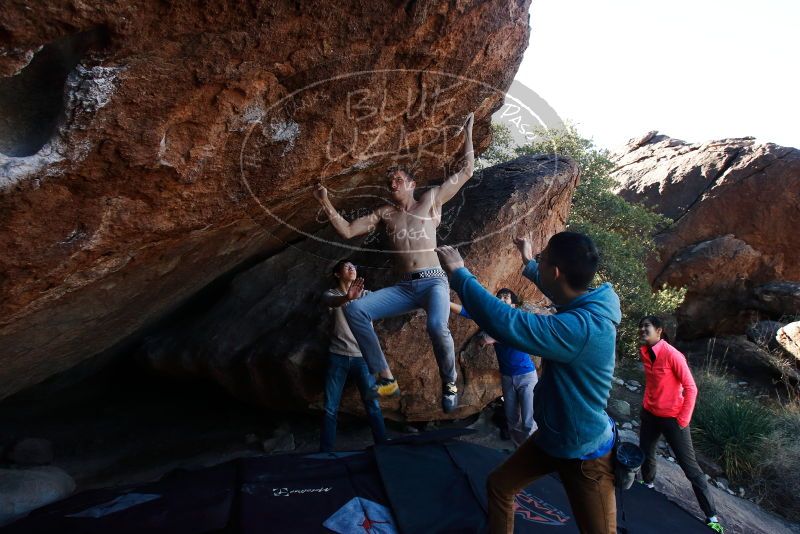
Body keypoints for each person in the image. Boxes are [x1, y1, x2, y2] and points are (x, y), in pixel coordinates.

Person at [436, 231, 621, 534]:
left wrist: (460, 274)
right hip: (553, 437)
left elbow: (510, 323)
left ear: (557, 271)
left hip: (585, 453)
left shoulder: (582, 328)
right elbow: (558, 291)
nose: (539, 261)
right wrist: (528, 260)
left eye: (542, 259)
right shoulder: (588, 303)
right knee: (500, 486)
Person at [312, 112, 475, 413]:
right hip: (405, 287)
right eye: (390, 182)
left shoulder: (430, 201)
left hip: (433, 280)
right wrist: (325, 201)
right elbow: (348, 230)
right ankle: (385, 378)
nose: (393, 184)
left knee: (437, 326)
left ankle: (449, 381)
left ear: (413, 184)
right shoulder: (384, 213)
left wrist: (468, 134)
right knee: (356, 309)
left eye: (398, 179)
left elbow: (466, 171)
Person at [638, 316, 723, 533]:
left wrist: (682, 420)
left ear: (659, 330)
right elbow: (652, 382)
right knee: (646, 453)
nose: (642, 330)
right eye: (641, 327)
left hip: (673, 418)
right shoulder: (645, 352)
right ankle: (648, 485)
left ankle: (711, 516)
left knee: (690, 467)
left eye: (646, 327)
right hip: (650, 414)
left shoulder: (673, 355)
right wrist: (646, 404)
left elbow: (691, 388)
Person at [450, 289, 538, 447]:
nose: (502, 299)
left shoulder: (517, 318)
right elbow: (468, 312)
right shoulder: (492, 321)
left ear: (514, 305)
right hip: (507, 377)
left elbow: (490, 338)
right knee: (511, 418)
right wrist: (445, 303)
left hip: (526, 375)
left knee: (529, 420)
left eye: (506, 297)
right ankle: (518, 451)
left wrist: (485, 337)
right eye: (499, 297)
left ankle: (534, 454)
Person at [319, 261, 387, 453]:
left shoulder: (366, 295)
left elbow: (387, 302)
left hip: (363, 358)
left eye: (354, 266)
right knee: (330, 408)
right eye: (347, 267)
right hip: (337, 356)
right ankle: (326, 452)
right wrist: (346, 298)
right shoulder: (331, 295)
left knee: (373, 405)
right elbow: (330, 302)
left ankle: (384, 448)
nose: (352, 269)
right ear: (337, 274)